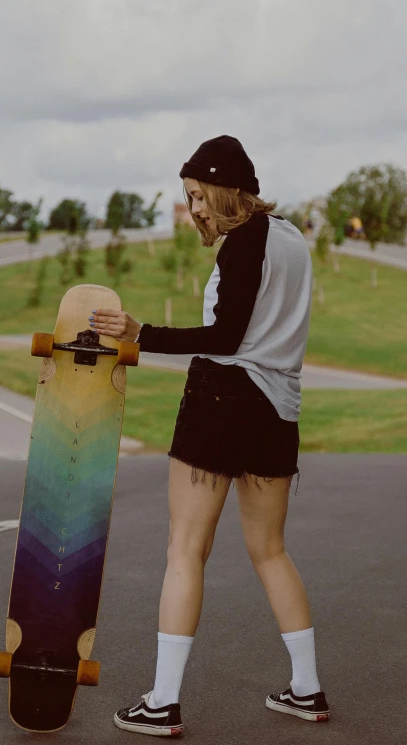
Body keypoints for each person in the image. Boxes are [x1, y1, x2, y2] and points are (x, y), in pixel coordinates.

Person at [89, 135, 330, 736]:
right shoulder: (293, 239)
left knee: (185, 550)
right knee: (270, 549)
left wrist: (139, 332)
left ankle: (163, 701)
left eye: (197, 195)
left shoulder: (243, 245)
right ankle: (307, 688)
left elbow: (225, 339)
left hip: (222, 403)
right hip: (277, 411)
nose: (194, 209)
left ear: (225, 188)